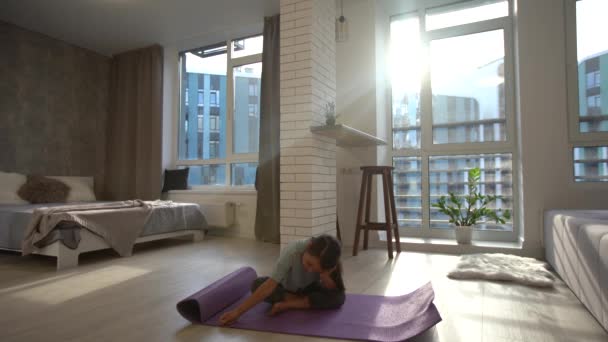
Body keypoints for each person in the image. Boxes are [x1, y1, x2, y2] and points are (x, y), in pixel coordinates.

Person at [219, 234, 345, 325]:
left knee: (339, 297)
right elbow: (269, 286)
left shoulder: (330, 259)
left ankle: (289, 304)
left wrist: (325, 275)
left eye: (316, 269)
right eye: (309, 264)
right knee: (257, 284)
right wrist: (237, 312)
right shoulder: (292, 251)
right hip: (285, 289)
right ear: (309, 246)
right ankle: (303, 302)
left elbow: (334, 289)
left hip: (308, 289)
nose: (309, 270)